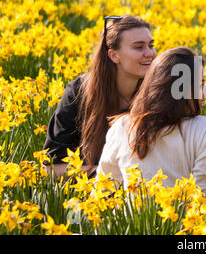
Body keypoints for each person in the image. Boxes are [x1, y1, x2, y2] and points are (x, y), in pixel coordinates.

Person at [97, 47, 206, 196]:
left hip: (132, 219)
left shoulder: (122, 127)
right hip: (186, 218)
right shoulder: (204, 128)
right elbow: (205, 195)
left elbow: (102, 190)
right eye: (200, 84)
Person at [43, 15, 157, 177]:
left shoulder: (157, 94)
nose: (149, 53)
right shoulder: (79, 93)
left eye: (151, 45)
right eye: (139, 47)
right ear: (113, 55)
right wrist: (106, 175)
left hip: (144, 195)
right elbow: (51, 168)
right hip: (90, 196)